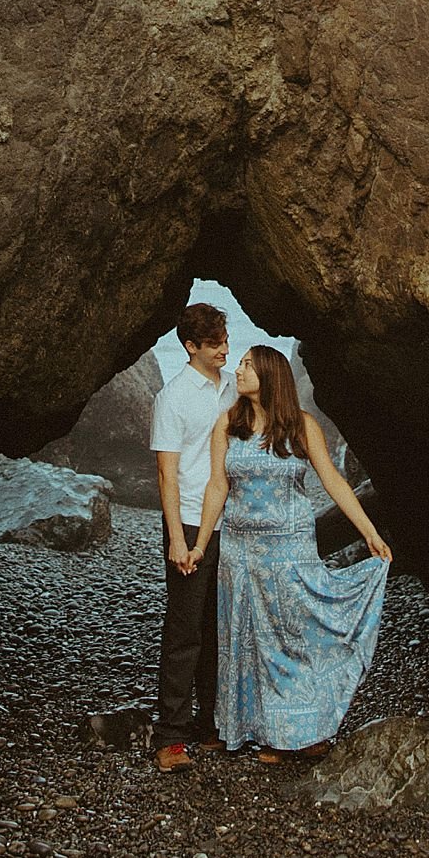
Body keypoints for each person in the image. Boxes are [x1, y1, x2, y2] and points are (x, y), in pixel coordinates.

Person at [188, 343, 391, 760]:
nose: (238, 371)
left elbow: (333, 481)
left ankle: (304, 731)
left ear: (270, 376)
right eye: (240, 364)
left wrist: (369, 532)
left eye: (247, 365)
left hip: (291, 548)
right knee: (249, 643)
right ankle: (268, 732)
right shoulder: (228, 424)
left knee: (293, 639)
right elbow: (217, 487)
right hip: (241, 553)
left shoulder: (301, 425)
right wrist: (200, 545)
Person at [148, 302, 235, 772]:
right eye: (215, 343)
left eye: (225, 339)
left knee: (216, 626)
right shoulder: (173, 397)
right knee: (184, 630)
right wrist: (176, 541)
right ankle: (171, 736)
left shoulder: (229, 389)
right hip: (185, 521)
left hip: (227, 519)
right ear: (190, 347)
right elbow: (167, 473)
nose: (225, 348)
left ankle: (212, 724)